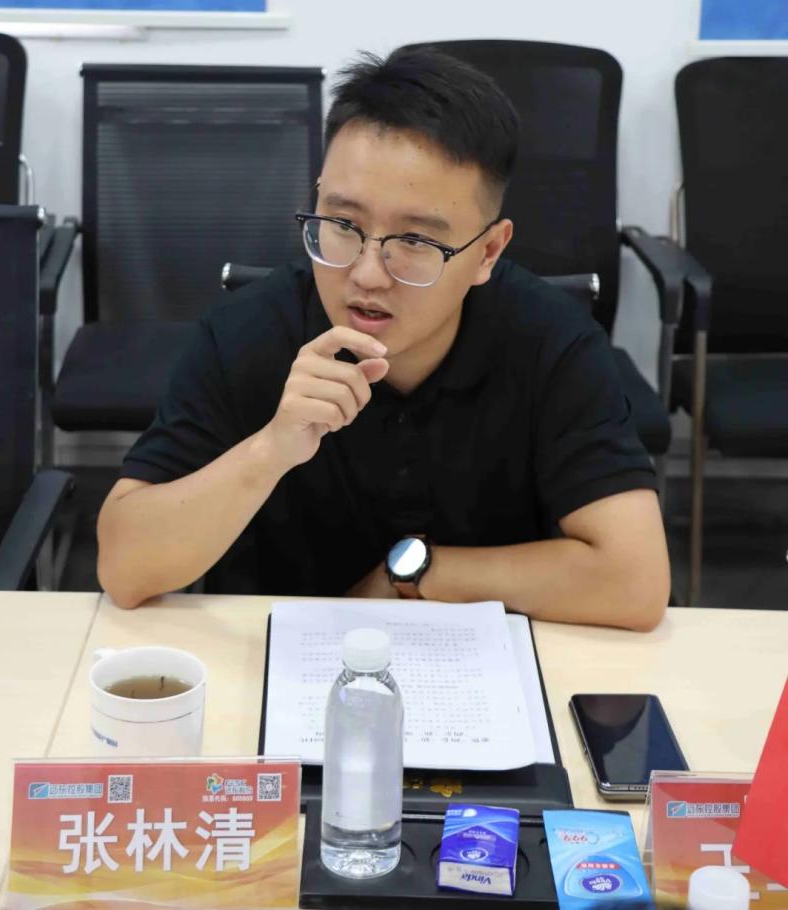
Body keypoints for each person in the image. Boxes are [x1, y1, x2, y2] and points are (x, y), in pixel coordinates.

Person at [98, 46, 670, 629]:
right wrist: (270, 450)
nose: (367, 275)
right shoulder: (246, 333)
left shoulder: (551, 342)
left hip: (480, 663)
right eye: (343, 224)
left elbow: (636, 583)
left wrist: (413, 575)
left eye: (416, 241)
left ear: (487, 252)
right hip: (273, 660)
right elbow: (123, 568)